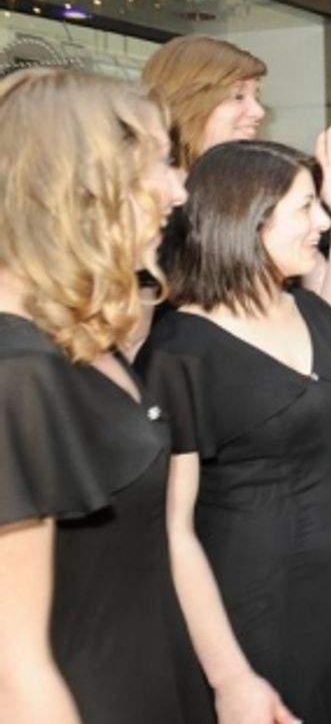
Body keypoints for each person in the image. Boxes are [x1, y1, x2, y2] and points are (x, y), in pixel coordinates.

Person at [139, 141, 331, 723]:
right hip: (251, 607)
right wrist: (228, 675)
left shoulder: (317, 316)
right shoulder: (180, 352)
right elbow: (173, 530)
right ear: (249, 218)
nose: (324, 223)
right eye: (308, 208)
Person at [0, 69, 211, 724]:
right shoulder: (17, 371)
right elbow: (14, 671)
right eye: (161, 164)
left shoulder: (76, 339)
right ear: (83, 185)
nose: (180, 191)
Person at [142, 35, 331, 328]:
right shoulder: (147, 210)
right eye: (238, 96)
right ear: (189, 100)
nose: (258, 112)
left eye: (257, 97)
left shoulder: (253, 193)